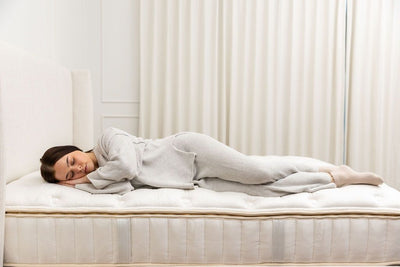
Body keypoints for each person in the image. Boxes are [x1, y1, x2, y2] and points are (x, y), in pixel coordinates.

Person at [40, 127, 384, 196]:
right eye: (69, 174)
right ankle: (335, 178)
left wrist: (84, 182)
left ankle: (319, 166)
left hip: (189, 152)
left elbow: (128, 169)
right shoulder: (103, 174)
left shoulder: (106, 140)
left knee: (258, 171)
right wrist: (90, 184)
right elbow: (123, 185)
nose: (77, 169)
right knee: (266, 191)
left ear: (75, 148)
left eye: (72, 160)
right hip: (189, 179)